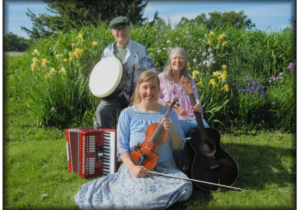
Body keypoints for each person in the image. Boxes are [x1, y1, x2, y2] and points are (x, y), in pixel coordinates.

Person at [75, 70, 193, 209]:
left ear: (159, 89)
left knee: (186, 188)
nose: (149, 92)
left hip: (165, 168)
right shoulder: (128, 114)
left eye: (153, 87)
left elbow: (179, 146)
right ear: (138, 89)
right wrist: (133, 168)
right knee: (140, 196)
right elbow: (122, 148)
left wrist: (171, 131)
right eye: (145, 87)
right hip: (136, 164)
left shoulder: (169, 113)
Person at [94, 16, 155, 129]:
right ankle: (106, 140)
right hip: (113, 95)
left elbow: (151, 73)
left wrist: (139, 92)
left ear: (129, 30)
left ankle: (136, 141)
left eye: (123, 28)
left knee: (139, 115)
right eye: (117, 29)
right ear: (112, 32)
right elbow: (102, 75)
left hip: (137, 94)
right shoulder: (107, 51)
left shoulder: (139, 49)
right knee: (101, 110)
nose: (120, 32)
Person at [158, 47, 209, 172]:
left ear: (185, 61)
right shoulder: (162, 78)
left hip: (192, 116)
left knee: (207, 131)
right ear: (170, 60)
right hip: (173, 116)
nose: (178, 60)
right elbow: (157, 98)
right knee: (180, 129)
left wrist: (198, 105)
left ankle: (203, 161)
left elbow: (196, 98)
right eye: (175, 58)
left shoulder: (189, 80)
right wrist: (173, 107)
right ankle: (180, 163)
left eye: (181, 58)